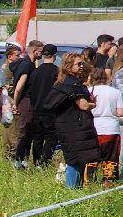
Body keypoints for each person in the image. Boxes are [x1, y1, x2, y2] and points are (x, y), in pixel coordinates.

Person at [41, 53, 100, 188]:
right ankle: (72, 189)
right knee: (76, 159)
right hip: (73, 126)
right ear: (68, 66)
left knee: (77, 158)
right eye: (78, 64)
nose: (81, 66)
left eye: (82, 63)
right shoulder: (72, 84)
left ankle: (74, 188)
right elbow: (83, 105)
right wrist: (93, 104)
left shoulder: (63, 83)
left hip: (68, 124)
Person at [9, 40, 42, 168]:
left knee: (29, 131)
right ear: (35, 51)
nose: (42, 53)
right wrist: (15, 103)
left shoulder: (30, 64)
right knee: (24, 130)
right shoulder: (27, 65)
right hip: (26, 100)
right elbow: (19, 87)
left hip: (28, 101)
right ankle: (18, 160)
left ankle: (25, 160)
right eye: (41, 51)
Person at [87, 64, 121, 170]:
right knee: (111, 160)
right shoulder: (115, 92)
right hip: (111, 128)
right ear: (105, 78)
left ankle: (89, 178)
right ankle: (109, 179)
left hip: (92, 127)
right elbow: (120, 112)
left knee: (91, 160)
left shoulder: (88, 91)